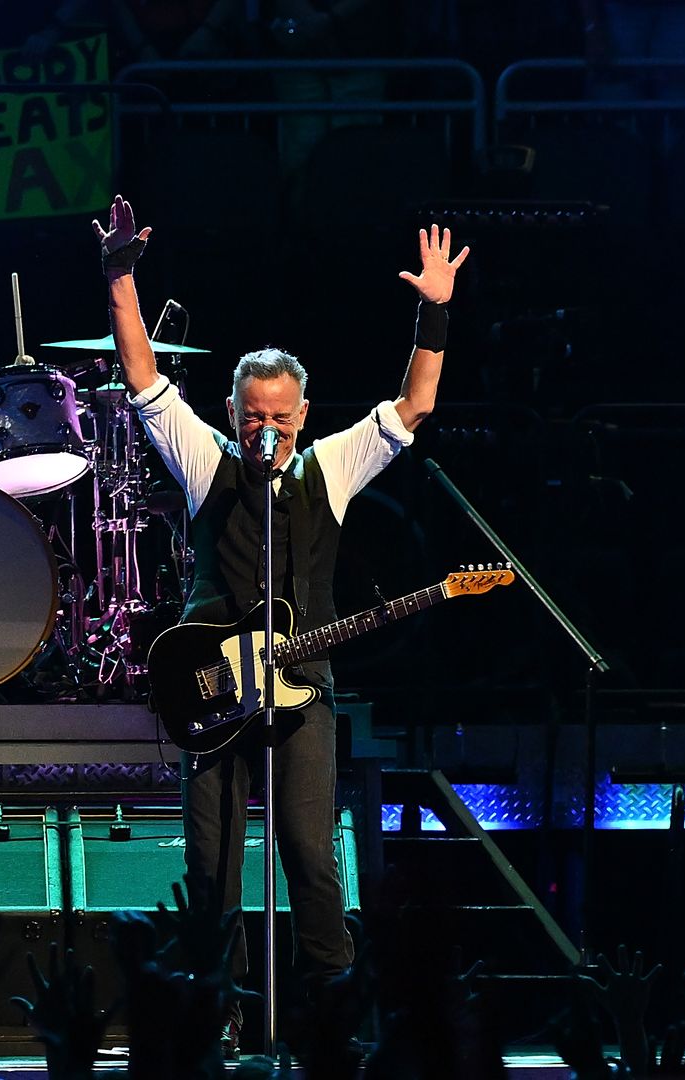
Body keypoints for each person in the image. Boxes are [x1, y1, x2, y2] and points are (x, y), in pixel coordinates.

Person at [95, 193, 466, 1053]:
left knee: (309, 851)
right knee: (212, 867)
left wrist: (434, 311)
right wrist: (120, 277)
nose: (266, 429)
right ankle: (207, 1018)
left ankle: (332, 1018)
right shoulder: (205, 462)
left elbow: (413, 406)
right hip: (210, 687)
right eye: (253, 415)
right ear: (234, 415)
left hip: (304, 689)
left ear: (303, 416)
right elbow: (145, 376)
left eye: (281, 417)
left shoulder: (330, 466)